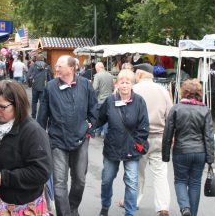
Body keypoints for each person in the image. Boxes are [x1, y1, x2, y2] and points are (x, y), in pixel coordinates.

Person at [0, 80, 52, 216]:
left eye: (2, 107)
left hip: (24, 208)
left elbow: (41, 172)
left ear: (18, 105)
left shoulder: (32, 132)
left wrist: (5, 178)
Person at [37, 55, 98, 216]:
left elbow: (94, 109)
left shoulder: (85, 85)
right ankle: (64, 214)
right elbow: (42, 115)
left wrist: (90, 128)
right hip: (57, 140)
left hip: (80, 139)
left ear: (71, 68)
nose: (56, 68)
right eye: (56, 66)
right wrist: (39, 139)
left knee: (80, 180)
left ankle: (72, 207)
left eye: (60, 66)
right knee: (59, 183)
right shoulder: (50, 87)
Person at [96, 69, 149, 216]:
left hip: (131, 149)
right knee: (107, 180)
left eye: (128, 82)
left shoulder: (139, 101)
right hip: (112, 148)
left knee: (132, 183)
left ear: (133, 85)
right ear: (117, 84)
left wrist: (136, 143)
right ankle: (105, 206)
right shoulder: (110, 101)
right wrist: (87, 127)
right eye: (122, 82)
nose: (125, 85)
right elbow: (99, 119)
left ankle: (130, 212)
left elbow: (144, 126)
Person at [162, 79, 214, 216]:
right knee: (195, 183)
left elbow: (168, 133)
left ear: (183, 92)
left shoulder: (176, 109)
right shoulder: (205, 110)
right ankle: (193, 213)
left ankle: (185, 207)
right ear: (199, 93)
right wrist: (210, 158)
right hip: (200, 152)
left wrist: (165, 155)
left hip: (181, 151)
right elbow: (209, 136)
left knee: (180, 181)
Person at [133, 63, 173, 216]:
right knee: (160, 174)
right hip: (160, 137)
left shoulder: (135, 90)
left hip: (139, 139)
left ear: (140, 74)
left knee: (137, 172)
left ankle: (134, 201)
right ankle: (163, 207)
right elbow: (170, 115)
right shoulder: (162, 91)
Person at [93, 62, 114, 137]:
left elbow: (94, 88)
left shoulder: (97, 76)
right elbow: (112, 88)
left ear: (97, 68)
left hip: (101, 99)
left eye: (96, 69)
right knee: (107, 116)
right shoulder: (110, 75)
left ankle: (99, 132)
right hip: (110, 99)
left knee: (100, 116)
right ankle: (105, 133)